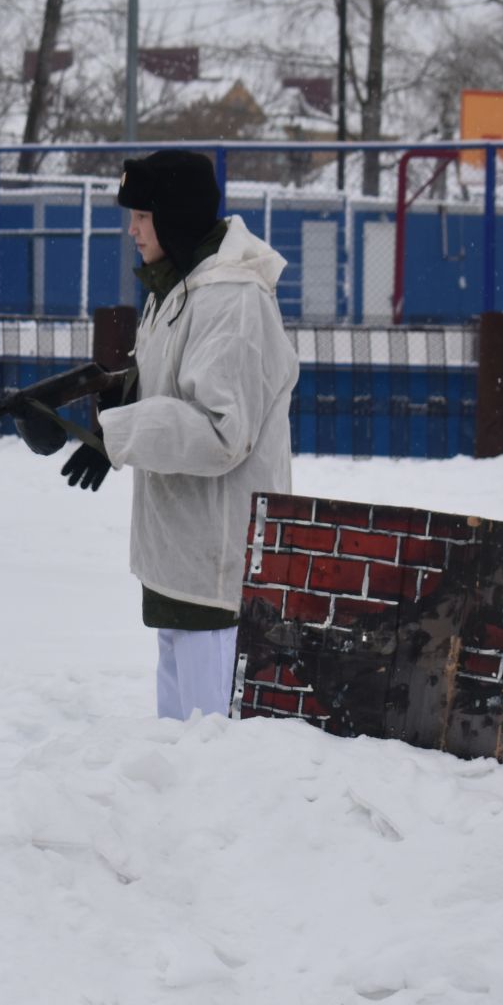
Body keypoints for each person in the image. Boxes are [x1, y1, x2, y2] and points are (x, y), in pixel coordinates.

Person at [58, 150, 299, 722]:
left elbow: (220, 432)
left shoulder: (230, 297)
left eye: (143, 215)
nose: (133, 230)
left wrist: (117, 432)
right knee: (180, 744)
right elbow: (166, 387)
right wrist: (101, 411)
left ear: (179, 215)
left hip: (217, 561)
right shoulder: (177, 287)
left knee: (211, 744)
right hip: (180, 559)